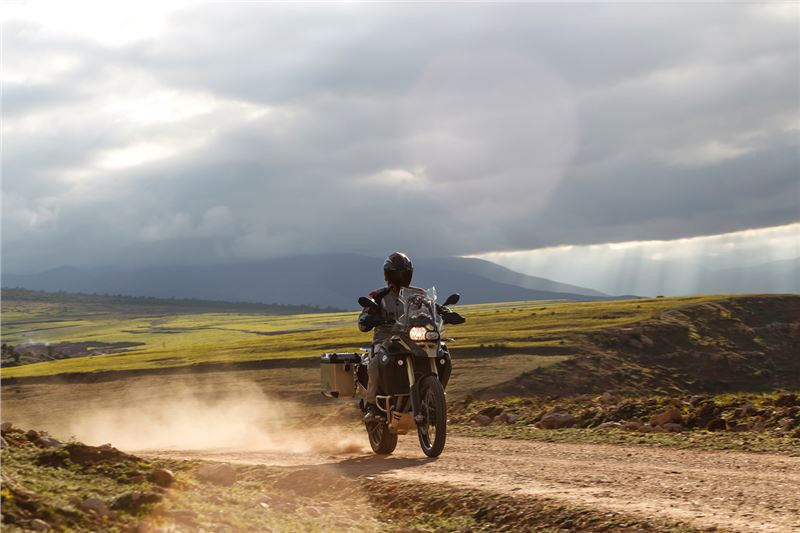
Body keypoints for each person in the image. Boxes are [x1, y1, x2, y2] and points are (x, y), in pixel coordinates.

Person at [357, 252, 414, 422]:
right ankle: (372, 406)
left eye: (404, 274)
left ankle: (432, 396)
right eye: (397, 274)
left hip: (410, 339)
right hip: (384, 340)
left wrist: (442, 312)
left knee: (440, 351)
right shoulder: (379, 297)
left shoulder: (417, 295)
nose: (401, 278)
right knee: (375, 363)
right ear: (389, 275)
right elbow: (362, 322)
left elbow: (431, 309)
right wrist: (369, 318)